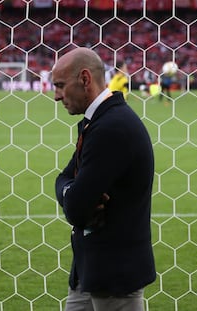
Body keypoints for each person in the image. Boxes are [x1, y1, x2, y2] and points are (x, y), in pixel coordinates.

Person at [52, 47, 156, 311]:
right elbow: (64, 179)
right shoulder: (101, 121)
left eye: (61, 86)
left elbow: (76, 209)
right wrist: (70, 191)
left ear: (85, 79)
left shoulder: (111, 127)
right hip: (91, 268)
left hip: (115, 273)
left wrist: (72, 195)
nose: (56, 96)